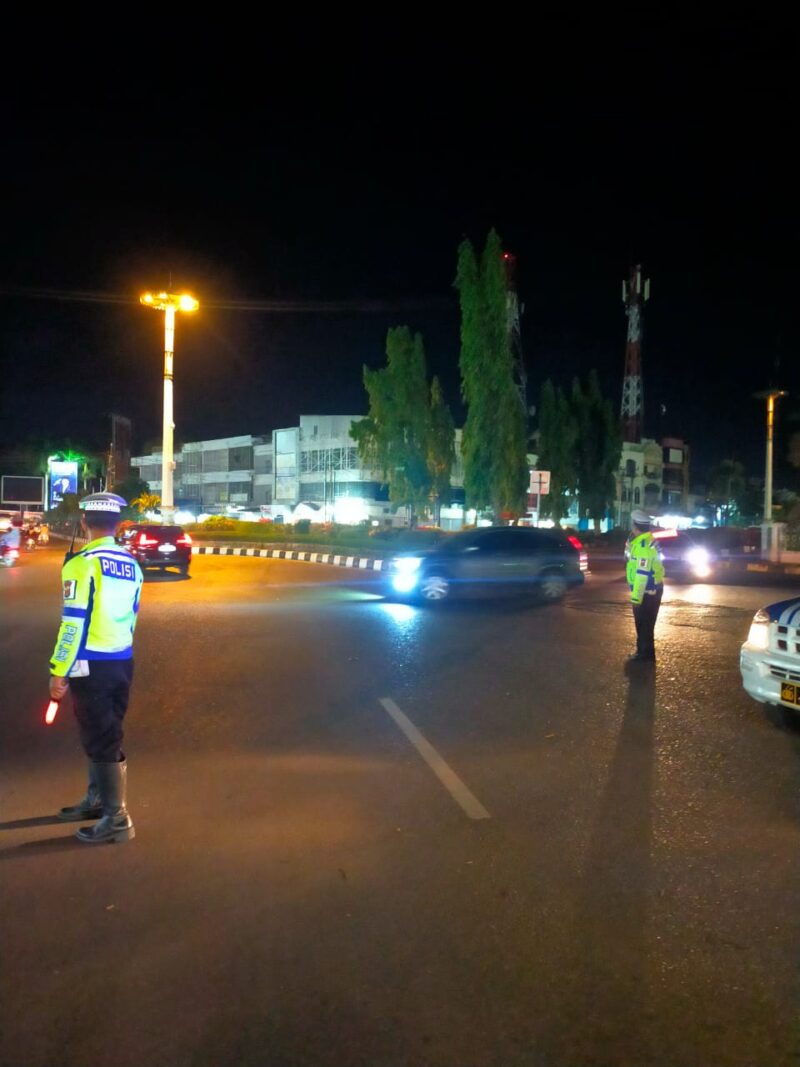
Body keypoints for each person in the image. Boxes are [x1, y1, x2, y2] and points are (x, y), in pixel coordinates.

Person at [49, 492, 143, 844]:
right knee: (104, 731)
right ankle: (99, 798)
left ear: (84, 522)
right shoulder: (132, 564)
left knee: (102, 738)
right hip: (121, 660)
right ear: (118, 525)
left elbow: (73, 622)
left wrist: (59, 669)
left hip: (91, 663)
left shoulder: (81, 563)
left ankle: (116, 818)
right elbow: (132, 614)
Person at [625, 508, 665, 663]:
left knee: (643, 625)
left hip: (647, 591)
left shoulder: (642, 545)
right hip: (653, 589)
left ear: (635, 526)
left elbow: (642, 574)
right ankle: (647, 654)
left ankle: (643, 656)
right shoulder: (648, 540)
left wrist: (636, 598)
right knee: (647, 625)